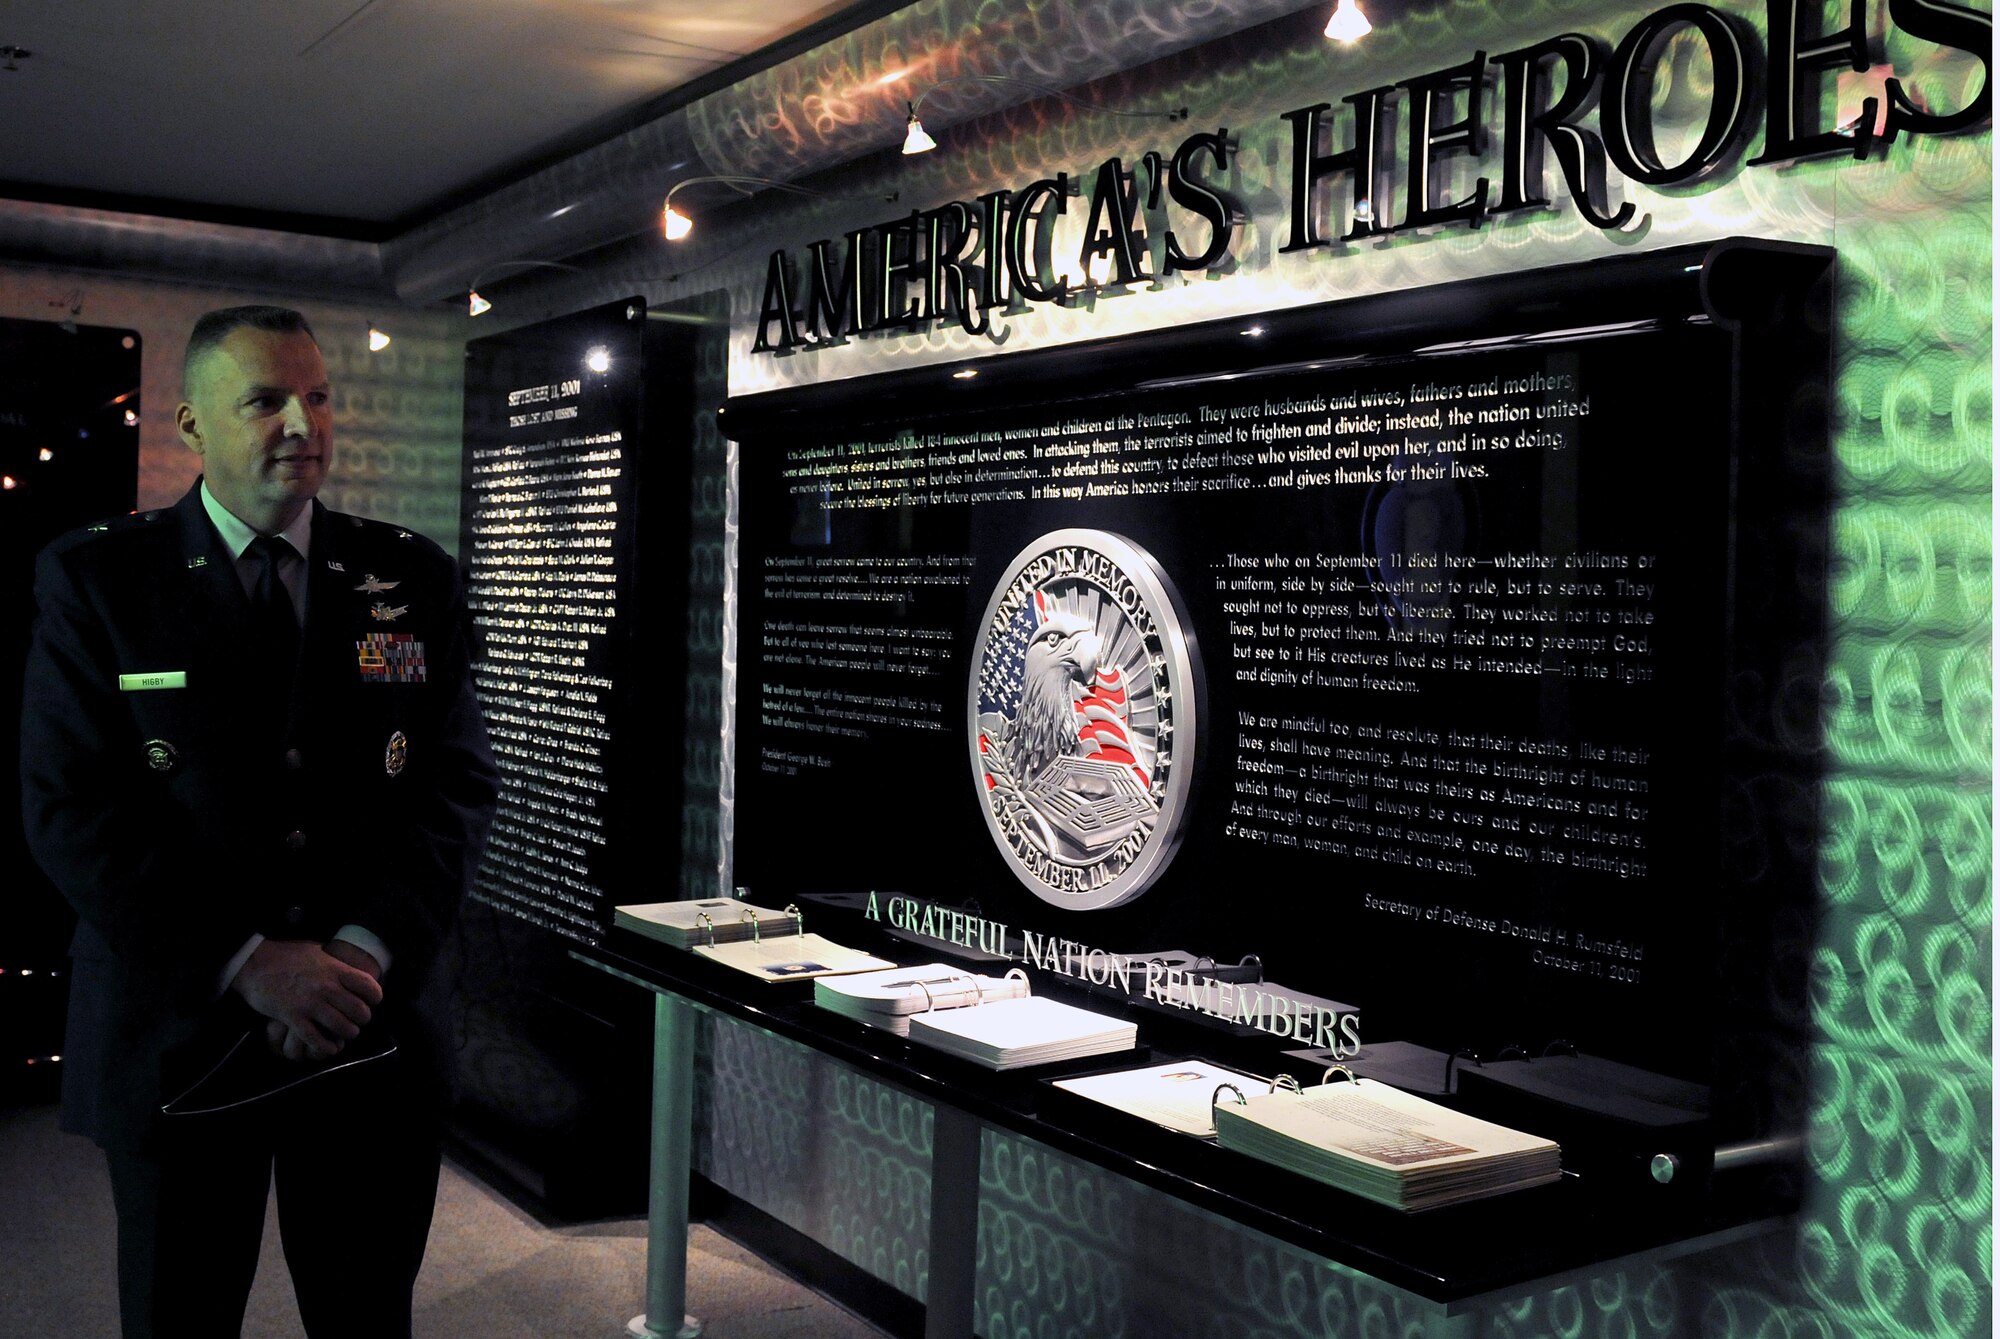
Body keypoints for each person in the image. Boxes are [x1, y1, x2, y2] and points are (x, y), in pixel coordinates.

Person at [19, 305, 499, 1337]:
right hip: (179, 1029)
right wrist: (249, 960)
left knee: (365, 1315)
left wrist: (359, 951)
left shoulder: (408, 577)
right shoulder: (102, 578)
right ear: (192, 425)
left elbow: (453, 787)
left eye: (317, 396)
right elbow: (70, 808)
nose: (301, 423)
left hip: (367, 1032)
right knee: (179, 1314)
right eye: (265, 400)